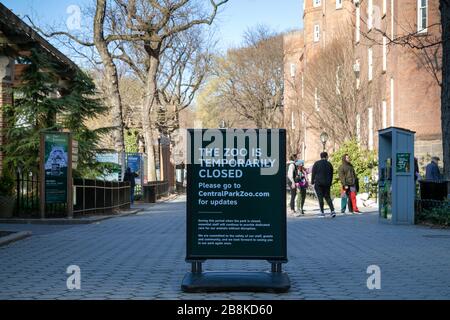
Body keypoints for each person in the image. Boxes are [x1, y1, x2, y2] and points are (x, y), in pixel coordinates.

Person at [311, 152, 336, 218]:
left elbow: (313, 173)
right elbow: (331, 175)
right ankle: (332, 211)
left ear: (321, 156)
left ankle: (322, 212)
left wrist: (312, 182)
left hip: (318, 183)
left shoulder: (317, 163)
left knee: (320, 197)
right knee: (328, 197)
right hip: (327, 183)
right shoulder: (329, 164)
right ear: (326, 156)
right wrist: (330, 183)